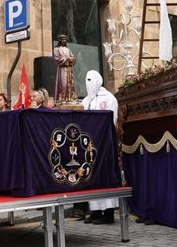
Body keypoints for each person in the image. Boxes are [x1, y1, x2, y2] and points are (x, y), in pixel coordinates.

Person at [81, 70, 119, 224]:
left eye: (91, 80)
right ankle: (95, 210)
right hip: (89, 144)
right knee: (92, 176)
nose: (89, 83)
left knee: (105, 176)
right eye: (86, 80)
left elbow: (112, 119)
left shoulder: (109, 98)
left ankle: (108, 212)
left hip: (105, 143)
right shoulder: (85, 101)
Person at [53, 34, 78, 105]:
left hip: (69, 69)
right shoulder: (56, 49)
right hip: (62, 69)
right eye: (63, 39)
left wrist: (71, 59)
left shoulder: (68, 49)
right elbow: (57, 59)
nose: (64, 41)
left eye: (65, 39)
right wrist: (66, 59)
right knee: (63, 84)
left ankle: (70, 99)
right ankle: (62, 98)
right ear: (60, 40)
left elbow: (73, 57)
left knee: (70, 84)